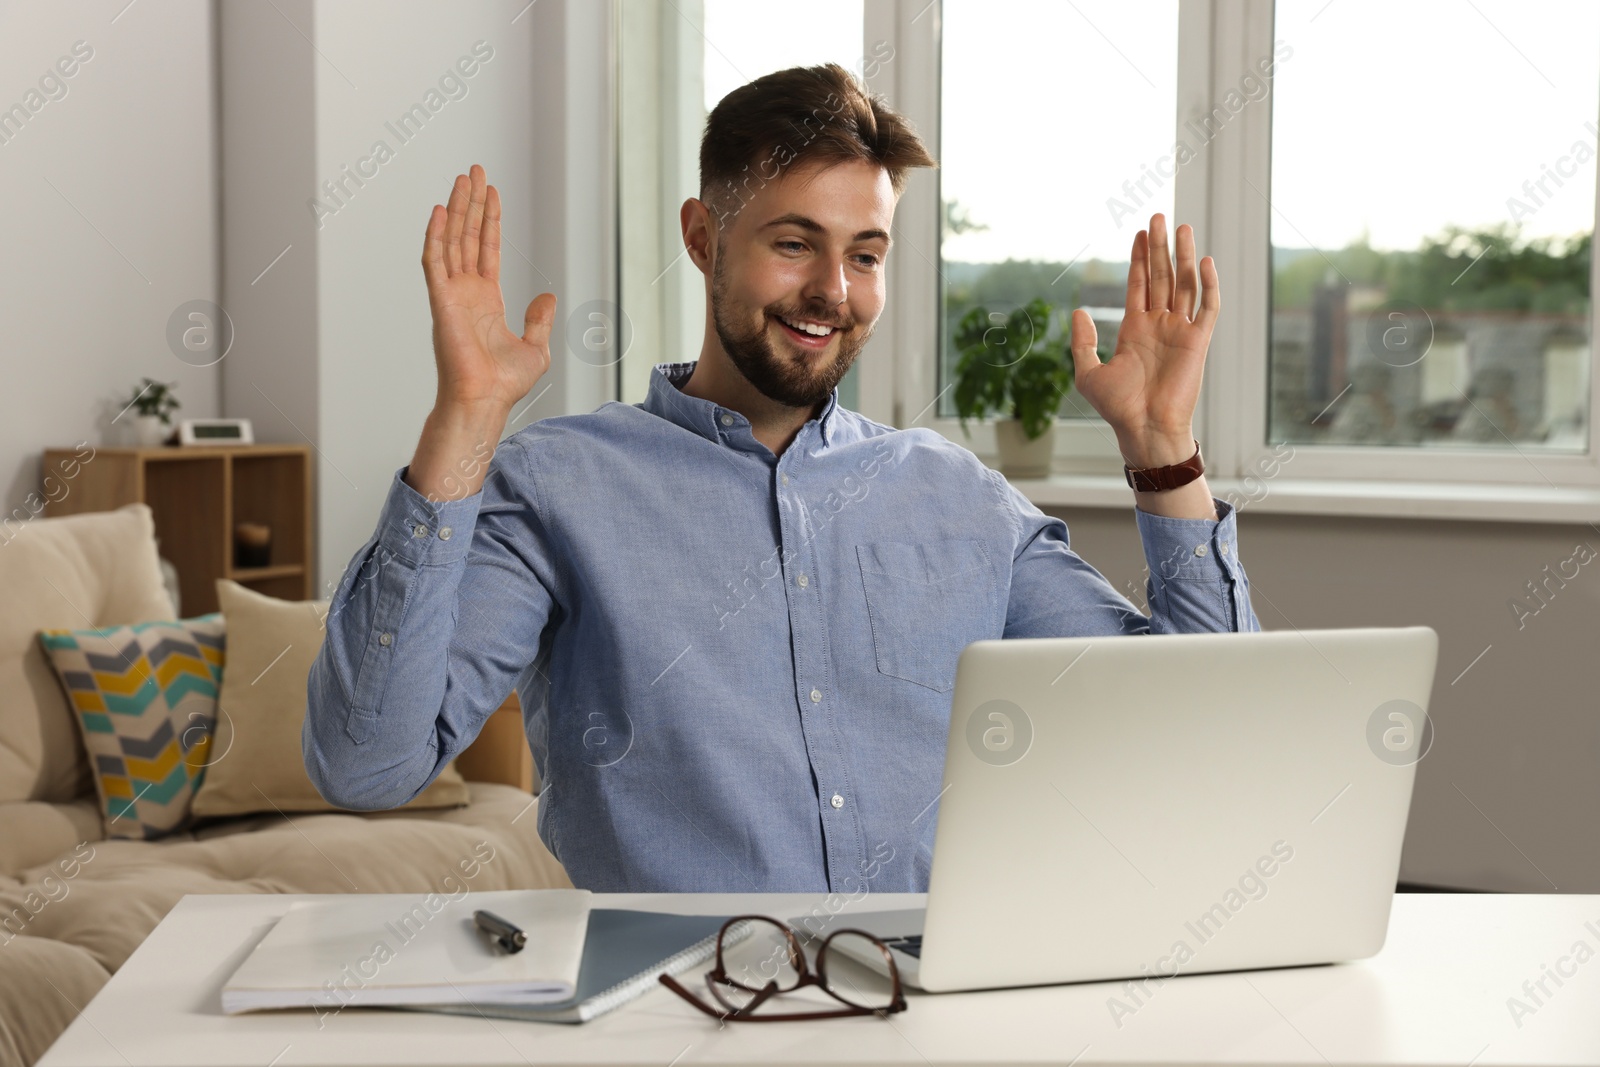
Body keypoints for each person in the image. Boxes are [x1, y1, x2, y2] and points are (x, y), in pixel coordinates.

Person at [303, 62, 1260, 894]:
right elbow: (368, 764)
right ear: (703, 238)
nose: (833, 294)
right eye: (794, 243)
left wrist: (1161, 443)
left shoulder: (958, 496)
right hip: (682, 1008)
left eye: (866, 255)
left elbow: (1206, 733)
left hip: (928, 1007)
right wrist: (464, 421)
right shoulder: (558, 485)